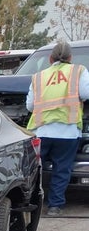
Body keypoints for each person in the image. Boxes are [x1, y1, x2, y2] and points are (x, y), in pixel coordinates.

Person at [26, 41, 89, 216]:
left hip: (41, 131)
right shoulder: (79, 71)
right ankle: (55, 206)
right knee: (62, 169)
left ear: (49, 58)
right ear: (70, 58)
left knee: (34, 170)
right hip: (67, 131)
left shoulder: (38, 76)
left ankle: (28, 204)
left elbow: (30, 106)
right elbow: (85, 93)